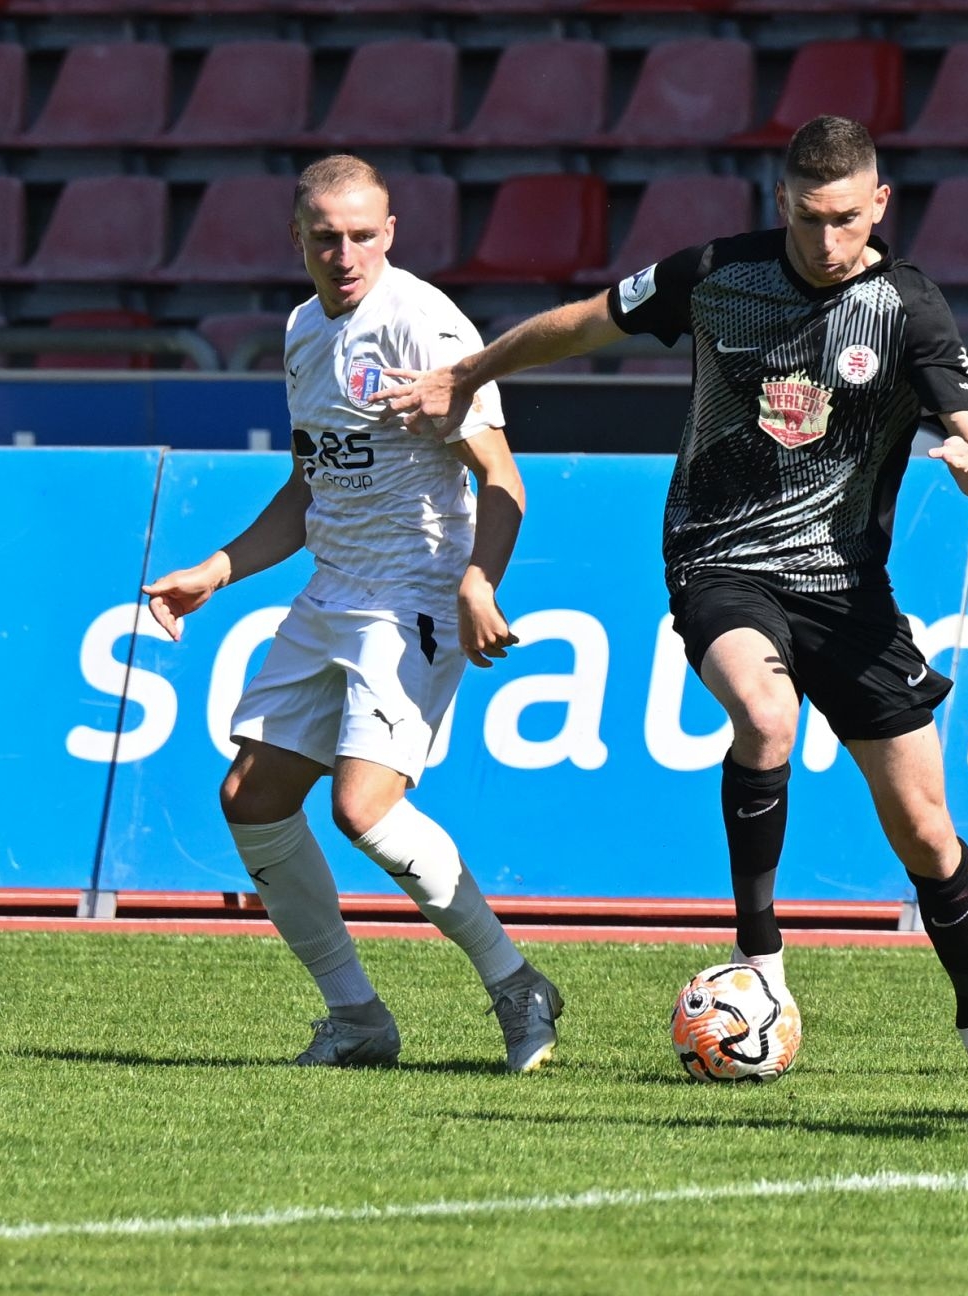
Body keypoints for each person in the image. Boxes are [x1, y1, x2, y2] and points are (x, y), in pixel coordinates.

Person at [377, 116, 968, 1076]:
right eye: (808, 218)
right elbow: (588, 319)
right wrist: (471, 369)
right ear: (780, 204)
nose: (826, 240)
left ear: (879, 205)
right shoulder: (718, 274)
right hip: (719, 556)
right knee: (765, 719)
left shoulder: (909, 308)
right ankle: (759, 957)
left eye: (847, 219)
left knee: (928, 834)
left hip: (848, 589)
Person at [141, 155, 563, 1072]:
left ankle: (515, 982)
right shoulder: (302, 331)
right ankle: (358, 1018)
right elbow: (310, 485)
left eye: (363, 234)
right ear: (297, 238)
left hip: (416, 593)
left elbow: (503, 478)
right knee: (250, 797)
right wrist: (215, 570)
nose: (345, 253)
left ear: (391, 233)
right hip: (331, 591)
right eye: (326, 236)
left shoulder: (422, 324)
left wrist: (480, 582)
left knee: (362, 807)